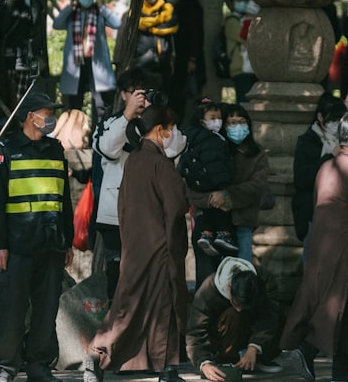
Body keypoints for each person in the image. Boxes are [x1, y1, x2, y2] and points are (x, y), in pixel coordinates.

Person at [84, 104, 189, 382]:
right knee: (151, 304)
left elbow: (123, 205)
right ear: (160, 130)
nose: (173, 134)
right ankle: (97, 352)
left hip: (135, 241)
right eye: (171, 129)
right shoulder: (160, 163)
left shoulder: (134, 160)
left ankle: (166, 367)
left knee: (134, 303)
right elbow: (177, 205)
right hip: (159, 244)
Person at [281, 113, 348, 382]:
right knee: (346, 306)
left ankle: (341, 369)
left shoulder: (327, 166)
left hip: (322, 249)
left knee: (334, 306)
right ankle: (309, 351)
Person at [0, 92, 71, 382]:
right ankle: (4, 368)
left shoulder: (56, 150)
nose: (50, 119)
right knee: (12, 310)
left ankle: (38, 367)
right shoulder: (6, 151)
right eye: (46, 113)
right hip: (18, 245)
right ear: (29, 116)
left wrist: (68, 240)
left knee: (46, 311)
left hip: (51, 243)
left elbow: (65, 199)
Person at [92, 69, 159, 299]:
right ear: (123, 95)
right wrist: (127, 117)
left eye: (146, 93)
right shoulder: (109, 123)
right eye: (135, 93)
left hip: (150, 213)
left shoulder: (157, 123)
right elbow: (108, 150)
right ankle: (116, 329)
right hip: (114, 215)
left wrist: (159, 115)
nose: (141, 98)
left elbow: (174, 148)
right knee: (118, 278)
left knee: (147, 277)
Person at [187, 257, 283, 381]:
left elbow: (269, 317)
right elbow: (195, 331)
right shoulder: (208, 290)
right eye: (236, 303)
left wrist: (254, 347)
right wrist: (203, 363)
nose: (239, 309)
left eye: (244, 307)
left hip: (251, 329)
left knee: (285, 313)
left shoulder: (265, 279)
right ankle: (228, 360)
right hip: (223, 337)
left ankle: (259, 358)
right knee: (233, 314)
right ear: (229, 287)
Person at [53, 0, 121, 126]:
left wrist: (103, 8)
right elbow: (57, 24)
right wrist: (68, 8)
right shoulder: (72, 14)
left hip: (96, 64)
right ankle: (76, 136)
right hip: (77, 64)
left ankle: (99, 137)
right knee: (75, 103)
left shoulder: (99, 13)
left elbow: (117, 24)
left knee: (100, 104)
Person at [179, 99, 235, 262]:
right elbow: (216, 164)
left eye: (219, 117)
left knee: (207, 215)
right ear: (201, 120)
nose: (217, 121)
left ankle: (207, 234)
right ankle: (223, 235)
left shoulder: (191, 139)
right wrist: (222, 185)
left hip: (199, 185)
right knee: (220, 210)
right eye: (212, 117)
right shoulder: (213, 140)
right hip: (214, 183)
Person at [291, 93, 346, 246]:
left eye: (340, 119)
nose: (336, 124)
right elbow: (302, 178)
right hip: (313, 212)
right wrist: (330, 157)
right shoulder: (308, 142)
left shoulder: (347, 141)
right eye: (333, 119)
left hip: (340, 212)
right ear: (320, 117)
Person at [220, 104, 270, 264]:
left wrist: (227, 195)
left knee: (243, 267)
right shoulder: (217, 150)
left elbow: (258, 186)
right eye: (232, 123)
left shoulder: (257, 154)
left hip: (244, 220)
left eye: (242, 122)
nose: (238, 127)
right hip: (219, 222)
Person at [0, 0, 48, 102]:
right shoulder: (0, 6)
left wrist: (34, 1)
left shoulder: (26, 5)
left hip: (27, 59)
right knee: (11, 100)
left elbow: (36, 24)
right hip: (9, 60)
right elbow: (2, 26)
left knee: (26, 100)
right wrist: (10, 1)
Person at [166, 0, 206, 119]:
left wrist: (192, 58)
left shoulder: (190, 7)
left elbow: (195, 34)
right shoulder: (175, 8)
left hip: (187, 58)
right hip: (179, 59)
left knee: (182, 96)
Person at [134, 0, 178, 89]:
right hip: (141, 61)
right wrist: (156, 22)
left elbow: (171, 26)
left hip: (162, 62)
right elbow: (133, 24)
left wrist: (147, 27)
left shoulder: (167, 5)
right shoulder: (136, 7)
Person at [224, 0, 260, 103]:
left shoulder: (244, 20)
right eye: (238, 0)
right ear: (231, 3)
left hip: (251, 68)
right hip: (240, 69)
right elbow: (245, 37)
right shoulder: (232, 21)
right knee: (244, 102)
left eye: (244, 0)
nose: (242, 3)